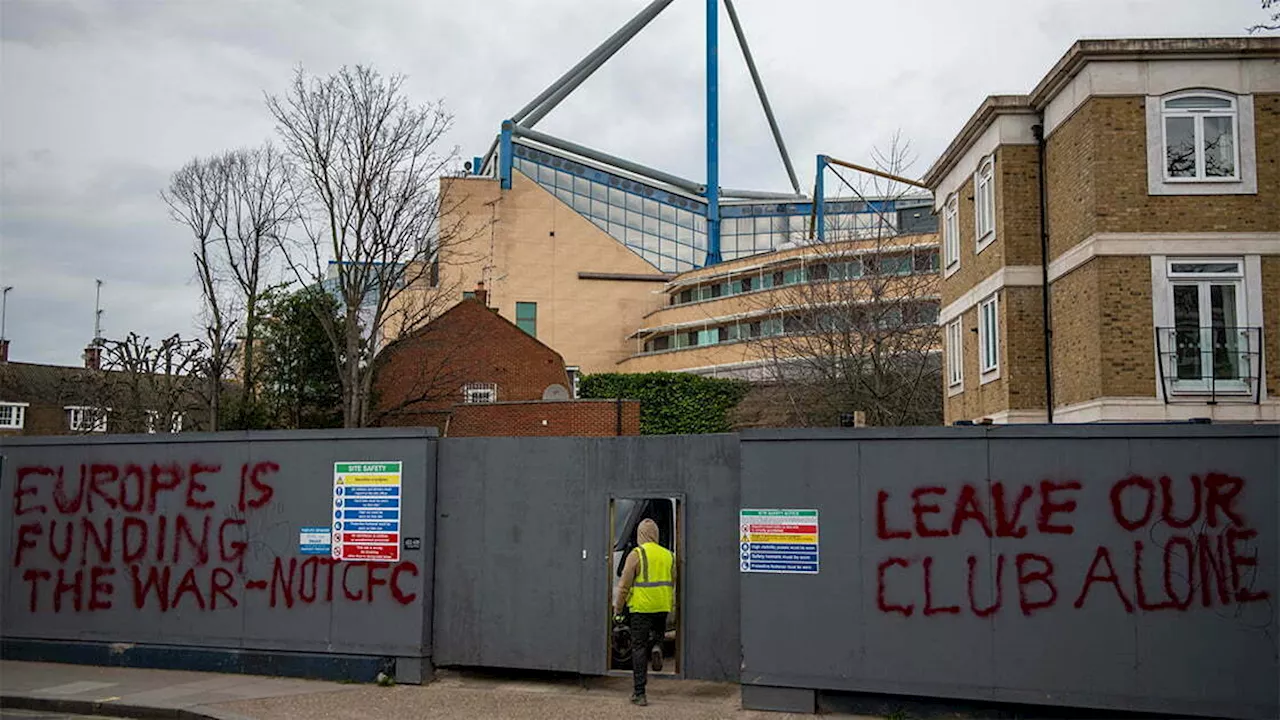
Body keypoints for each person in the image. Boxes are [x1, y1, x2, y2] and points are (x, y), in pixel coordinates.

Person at [613, 518, 675, 707]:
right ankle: (657, 646)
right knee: (658, 634)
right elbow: (673, 581)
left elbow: (624, 585)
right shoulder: (668, 555)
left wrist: (619, 607)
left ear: (640, 535)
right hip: (662, 606)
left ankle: (640, 693)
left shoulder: (636, 554)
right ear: (655, 534)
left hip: (641, 607)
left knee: (638, 647)